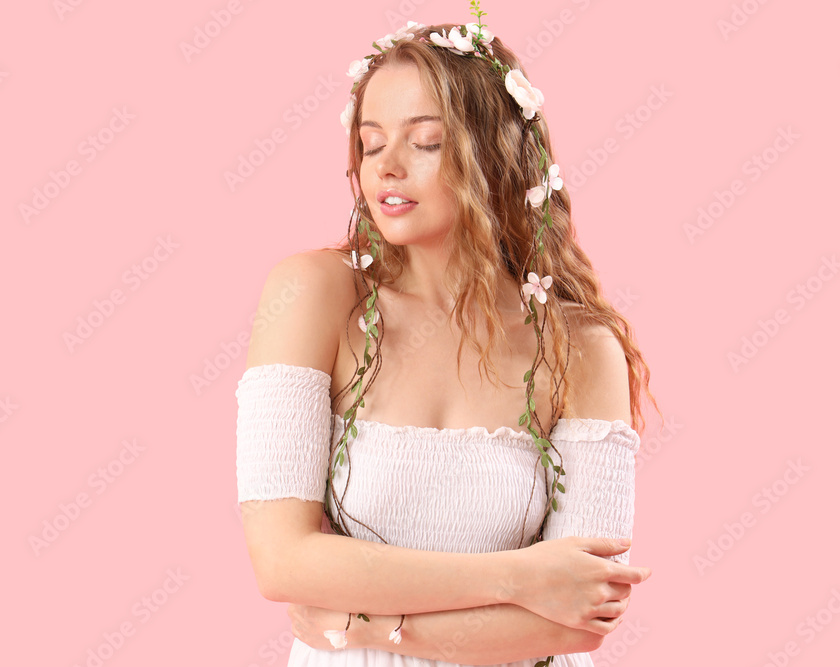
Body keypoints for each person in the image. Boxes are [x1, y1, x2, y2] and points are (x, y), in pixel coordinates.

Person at [236, 10, 662, 666]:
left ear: (492, 152)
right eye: (371, 143)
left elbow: (581, 618)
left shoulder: (579, 347)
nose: (388, 167)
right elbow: (282, 559)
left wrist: (368, 625)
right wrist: (519, 578)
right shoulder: (312, 295)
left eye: (425, 141)